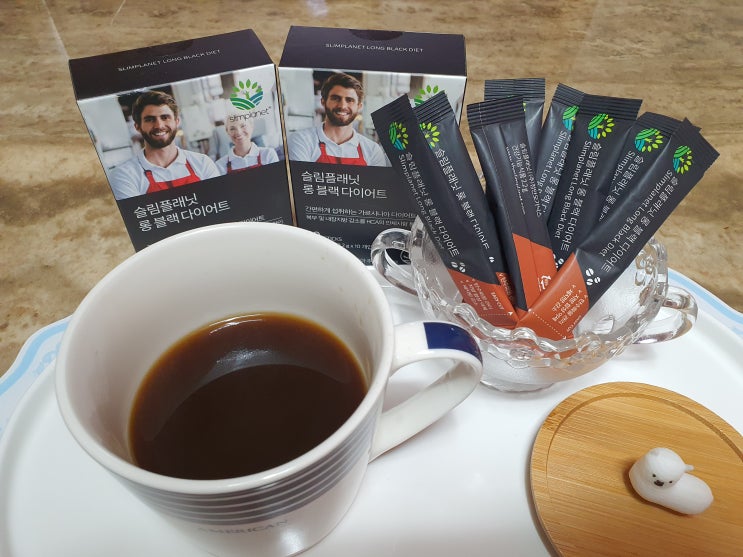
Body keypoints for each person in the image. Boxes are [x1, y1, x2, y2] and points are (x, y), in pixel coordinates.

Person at [109, 90, 220, 200]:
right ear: (137, 127)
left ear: (177, 122)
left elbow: (219, 202)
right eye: (150, 119)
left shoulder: (202, 163)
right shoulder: (124, 174)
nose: (159, 125)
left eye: (165, 117)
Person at [287, 73, 389, 166]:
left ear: (359, 106)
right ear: (323, 102)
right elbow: (300, 179)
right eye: (335, 98)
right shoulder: (301, 140)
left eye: (349, 100)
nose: (342, 106)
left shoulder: (372, 150)